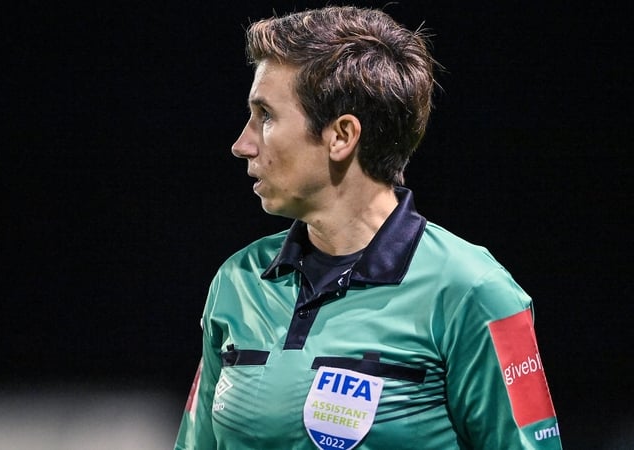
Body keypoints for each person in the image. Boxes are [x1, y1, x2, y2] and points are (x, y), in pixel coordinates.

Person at [174, 6, 561, 449]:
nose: (242, 144)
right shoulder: (236, 281)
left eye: (266, 116)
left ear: (341, 135)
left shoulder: (475, 289)